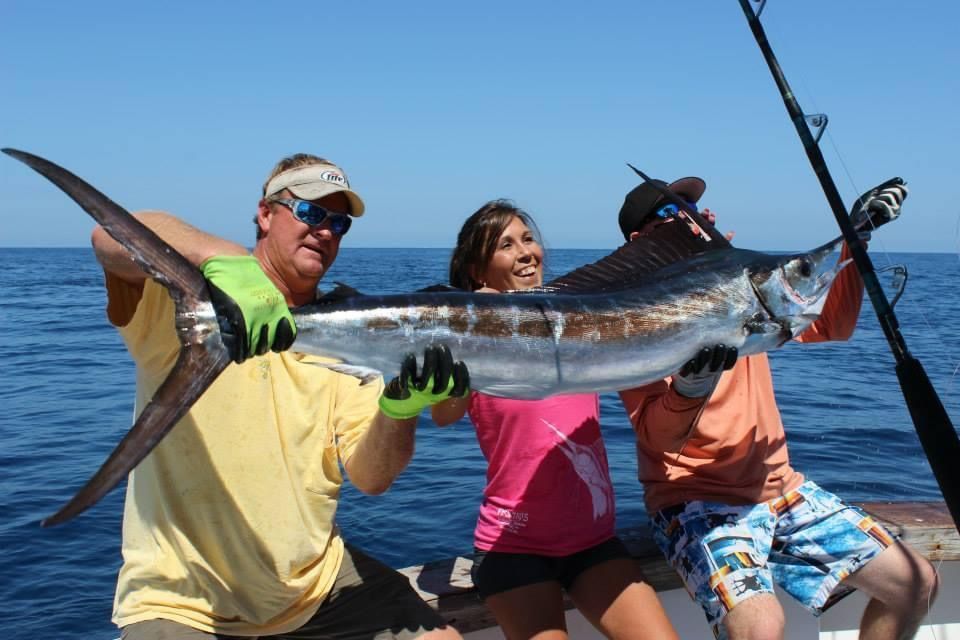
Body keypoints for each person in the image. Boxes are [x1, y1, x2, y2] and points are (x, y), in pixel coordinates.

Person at [92, 153, 468, 639]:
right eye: (310, 212)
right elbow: (108, 237)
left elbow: (372, 478)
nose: (325, 230)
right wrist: (220, 257)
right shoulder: (186, 300)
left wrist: (400, 407)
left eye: (339, 222)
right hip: (182, 603)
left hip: (316, 589)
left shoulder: (353, 339)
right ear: (265, 214)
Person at [616, 176, 939, 640]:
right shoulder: (635, 316)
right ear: (643, 241)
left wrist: (855, 235)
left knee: (917, 582)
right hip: (695, 501)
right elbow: (658, 438)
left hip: (781, 488)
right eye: (677, 210)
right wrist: (690, 388)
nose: (701, 216)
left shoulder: (743, 288)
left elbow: (832, 324)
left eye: (698, 207)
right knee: (760, 626)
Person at [431, 200, 679, 640]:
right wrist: (470, 319)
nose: (526, 251)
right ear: (478, 269)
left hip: (594, 543)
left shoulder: (577, 318)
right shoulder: (471, 335)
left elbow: (643, 302)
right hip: (513, 548)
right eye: (506, 245)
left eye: (529, 238)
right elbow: (445, 414)